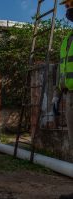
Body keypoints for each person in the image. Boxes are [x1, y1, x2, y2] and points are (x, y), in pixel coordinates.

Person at [54, 0, 73, 152]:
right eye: (67, 6)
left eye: (71, 4)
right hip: (69, 97)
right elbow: (63, 69)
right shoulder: (67, 39)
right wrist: (57, 94)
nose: (68, 9)